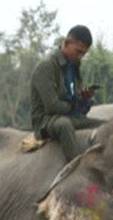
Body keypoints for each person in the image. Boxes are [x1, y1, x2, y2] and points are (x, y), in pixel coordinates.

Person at [29, 25, 103, 161]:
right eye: (78, 51)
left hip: (70, 116)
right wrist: (75, 103)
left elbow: (76, 104)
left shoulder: (74, 67)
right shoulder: (46, 67)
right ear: (67, 43)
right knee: (64, 125)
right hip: (47, 121)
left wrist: (84, 101)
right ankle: (75, 166)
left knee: (106, 125)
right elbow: (52, 107)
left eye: (84, 54)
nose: (80, 57)